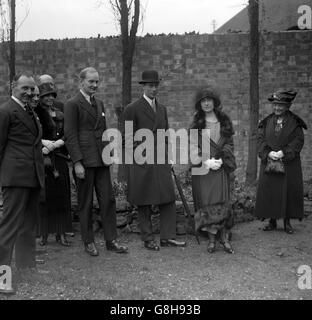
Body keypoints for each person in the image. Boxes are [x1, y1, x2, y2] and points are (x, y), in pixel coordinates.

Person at [64, 67, 128, 256]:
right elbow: (70, 134)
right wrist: (77, 162)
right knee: (85, 203)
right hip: (84, 162)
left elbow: (103, 132)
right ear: (81, 82)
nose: (94, 85)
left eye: (97, 81)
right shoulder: (72, 104)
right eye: (91, 81)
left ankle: (111, 240)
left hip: (101, 161)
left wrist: (109, 154)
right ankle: (88, 241)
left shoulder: (99, 103)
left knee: (108, 200)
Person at [122, 70, 186, 251]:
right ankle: (148, 238)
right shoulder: (131, 109)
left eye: (156, 85)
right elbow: (127, 138)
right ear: (143, 86)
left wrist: (169, 155)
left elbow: (165, 135)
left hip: (161, 161)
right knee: (144, 201)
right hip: (142, 162)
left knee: (168, 198)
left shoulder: (162, 109)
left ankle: (168, 237)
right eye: (150, 86)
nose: (154, 89)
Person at [0, 74, 44, 294]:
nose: (28, 93)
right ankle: (2, 277)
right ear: (13, 87)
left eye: (31, 89)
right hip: (16, 177)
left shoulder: (30, 111)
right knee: (9, 227)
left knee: (28, 225)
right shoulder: (6, 111)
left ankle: (27, 265)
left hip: (32, 176)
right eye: (24, 88)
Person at [190, 87, 236, 254]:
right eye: (203, 100)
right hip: (205, 171)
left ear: (215, 102)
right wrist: (206, 161)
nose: (207, 103)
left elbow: (230, 145)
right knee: (208, 203)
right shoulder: (197, 123)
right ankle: (211, 240)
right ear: (199, 104)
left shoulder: (224, 122)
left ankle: (224, 238)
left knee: (223, 202)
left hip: (221, 169)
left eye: (209, 100)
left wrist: (222, 159)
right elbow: (192, 147)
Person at [255, 89, 307, 233]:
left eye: (281, 105)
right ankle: (272, 221)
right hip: (270, 163)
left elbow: (298, 140)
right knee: (271, 192)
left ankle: (287, 222)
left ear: (287, 106)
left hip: (288, 164)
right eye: (275, 105)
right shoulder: (266, 122)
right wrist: (268, 153)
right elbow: (260, 139)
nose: (277, 108)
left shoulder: (295, 123)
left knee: (287, 192)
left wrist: (283, 152)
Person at [36, 83, 73, 247]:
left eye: (52, 95)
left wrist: (58, 143)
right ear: (40, 98)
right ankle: (44, 234)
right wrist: (44, 143)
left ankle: (62, 233)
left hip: (59, 158)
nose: (50, 98)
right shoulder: (35, 114)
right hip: (44, 159)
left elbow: (68, 133)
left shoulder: (61, 114)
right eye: (46, 95)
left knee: (62, 196)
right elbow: (31, 133)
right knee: (45, 197)